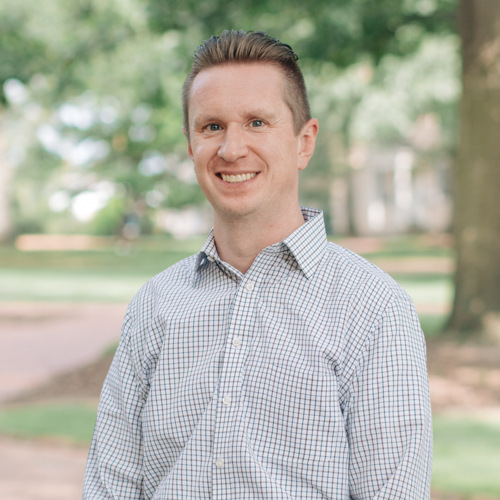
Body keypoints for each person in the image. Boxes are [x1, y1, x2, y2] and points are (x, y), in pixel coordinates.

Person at [83, 30, 432, 499]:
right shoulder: (155, 306)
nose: (231, 149)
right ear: (191, 146)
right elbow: (111, 485)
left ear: (304, 142)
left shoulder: (374, 309)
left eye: (256, 123)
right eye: (211, 127)